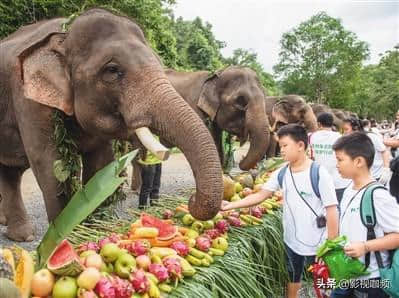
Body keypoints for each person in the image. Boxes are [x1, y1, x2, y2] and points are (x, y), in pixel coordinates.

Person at [221, 124, 339, 298]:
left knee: (323, 281)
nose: (281, 150)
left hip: (318, 244)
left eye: (285, 145)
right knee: (293, 275)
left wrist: (331, 246)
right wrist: (229, 206)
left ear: (300, 145)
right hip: (291, 240)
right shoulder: (281, 173)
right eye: (280, 146)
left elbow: (332, 210)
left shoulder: (319, 174)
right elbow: (261, 195)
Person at [331, 132, 399, 298]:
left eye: (340, 160)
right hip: (348, 274)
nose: (336, 165)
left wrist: (365, 246)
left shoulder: (378, 196)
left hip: (372, 280)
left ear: (359, 161)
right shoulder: (349, 189)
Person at [309, 112, 350, 202]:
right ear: (332, 123)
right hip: (339, 181)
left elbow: (311, 157)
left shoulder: (311, 137)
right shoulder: (340, 137)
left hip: (319, 181)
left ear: (319, 124)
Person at [343, 117, 392, 185]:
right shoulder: (350, 141)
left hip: (377, 176)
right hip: (361, 177)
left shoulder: (371, 136)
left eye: (346, 129)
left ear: (356, 128)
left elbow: (384, 151)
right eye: (343, 130)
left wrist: (386, 169)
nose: (344, 132)